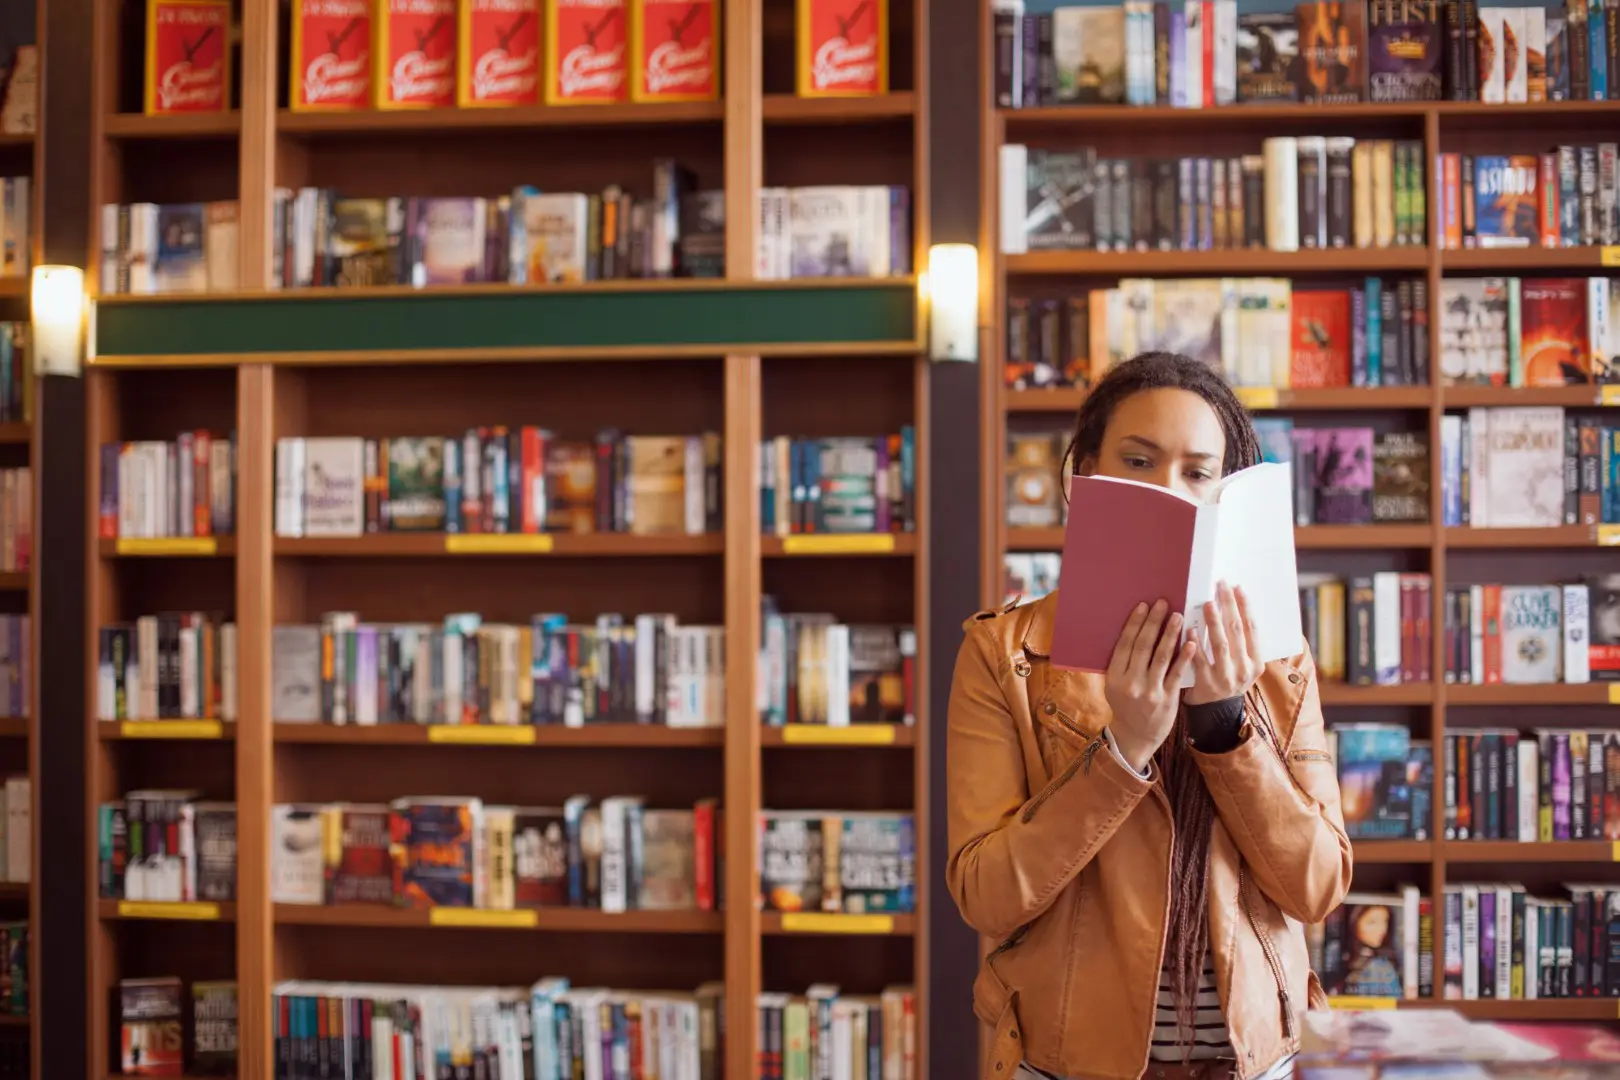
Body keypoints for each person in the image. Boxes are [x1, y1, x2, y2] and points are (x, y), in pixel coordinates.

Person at [947, 351, 1352, 1080]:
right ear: (1083, 480)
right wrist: (1123, 748)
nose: (1168, 491)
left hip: (1253, 1062)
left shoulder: (1278, 659)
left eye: (1198, 473)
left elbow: (1317, 887)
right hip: (1067, 1063)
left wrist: (1227, 723)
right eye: (1137, 461)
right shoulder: (1002, 654)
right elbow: (987, 896)